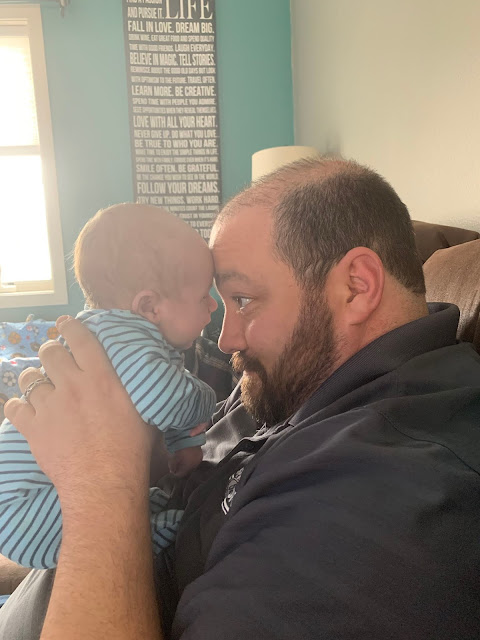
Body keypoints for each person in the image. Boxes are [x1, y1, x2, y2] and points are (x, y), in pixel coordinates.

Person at [2, 157, 480, 640]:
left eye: (242, 300)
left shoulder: (383, 491)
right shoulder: (299, 379)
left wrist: (100, 484)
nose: (225, 339)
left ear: (356, 287)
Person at [0, 203, 218, 568]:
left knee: (140, 501)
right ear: (149, 306)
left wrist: (184, 443)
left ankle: (151, 514)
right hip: (22, 506)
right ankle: (158, 530)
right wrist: (207, 399)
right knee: (144, 532)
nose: (213, 305)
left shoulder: (125, 335)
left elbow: (153, 401)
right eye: (203, 296)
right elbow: (164, 400)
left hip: (36, 498)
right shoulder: (120, 334)